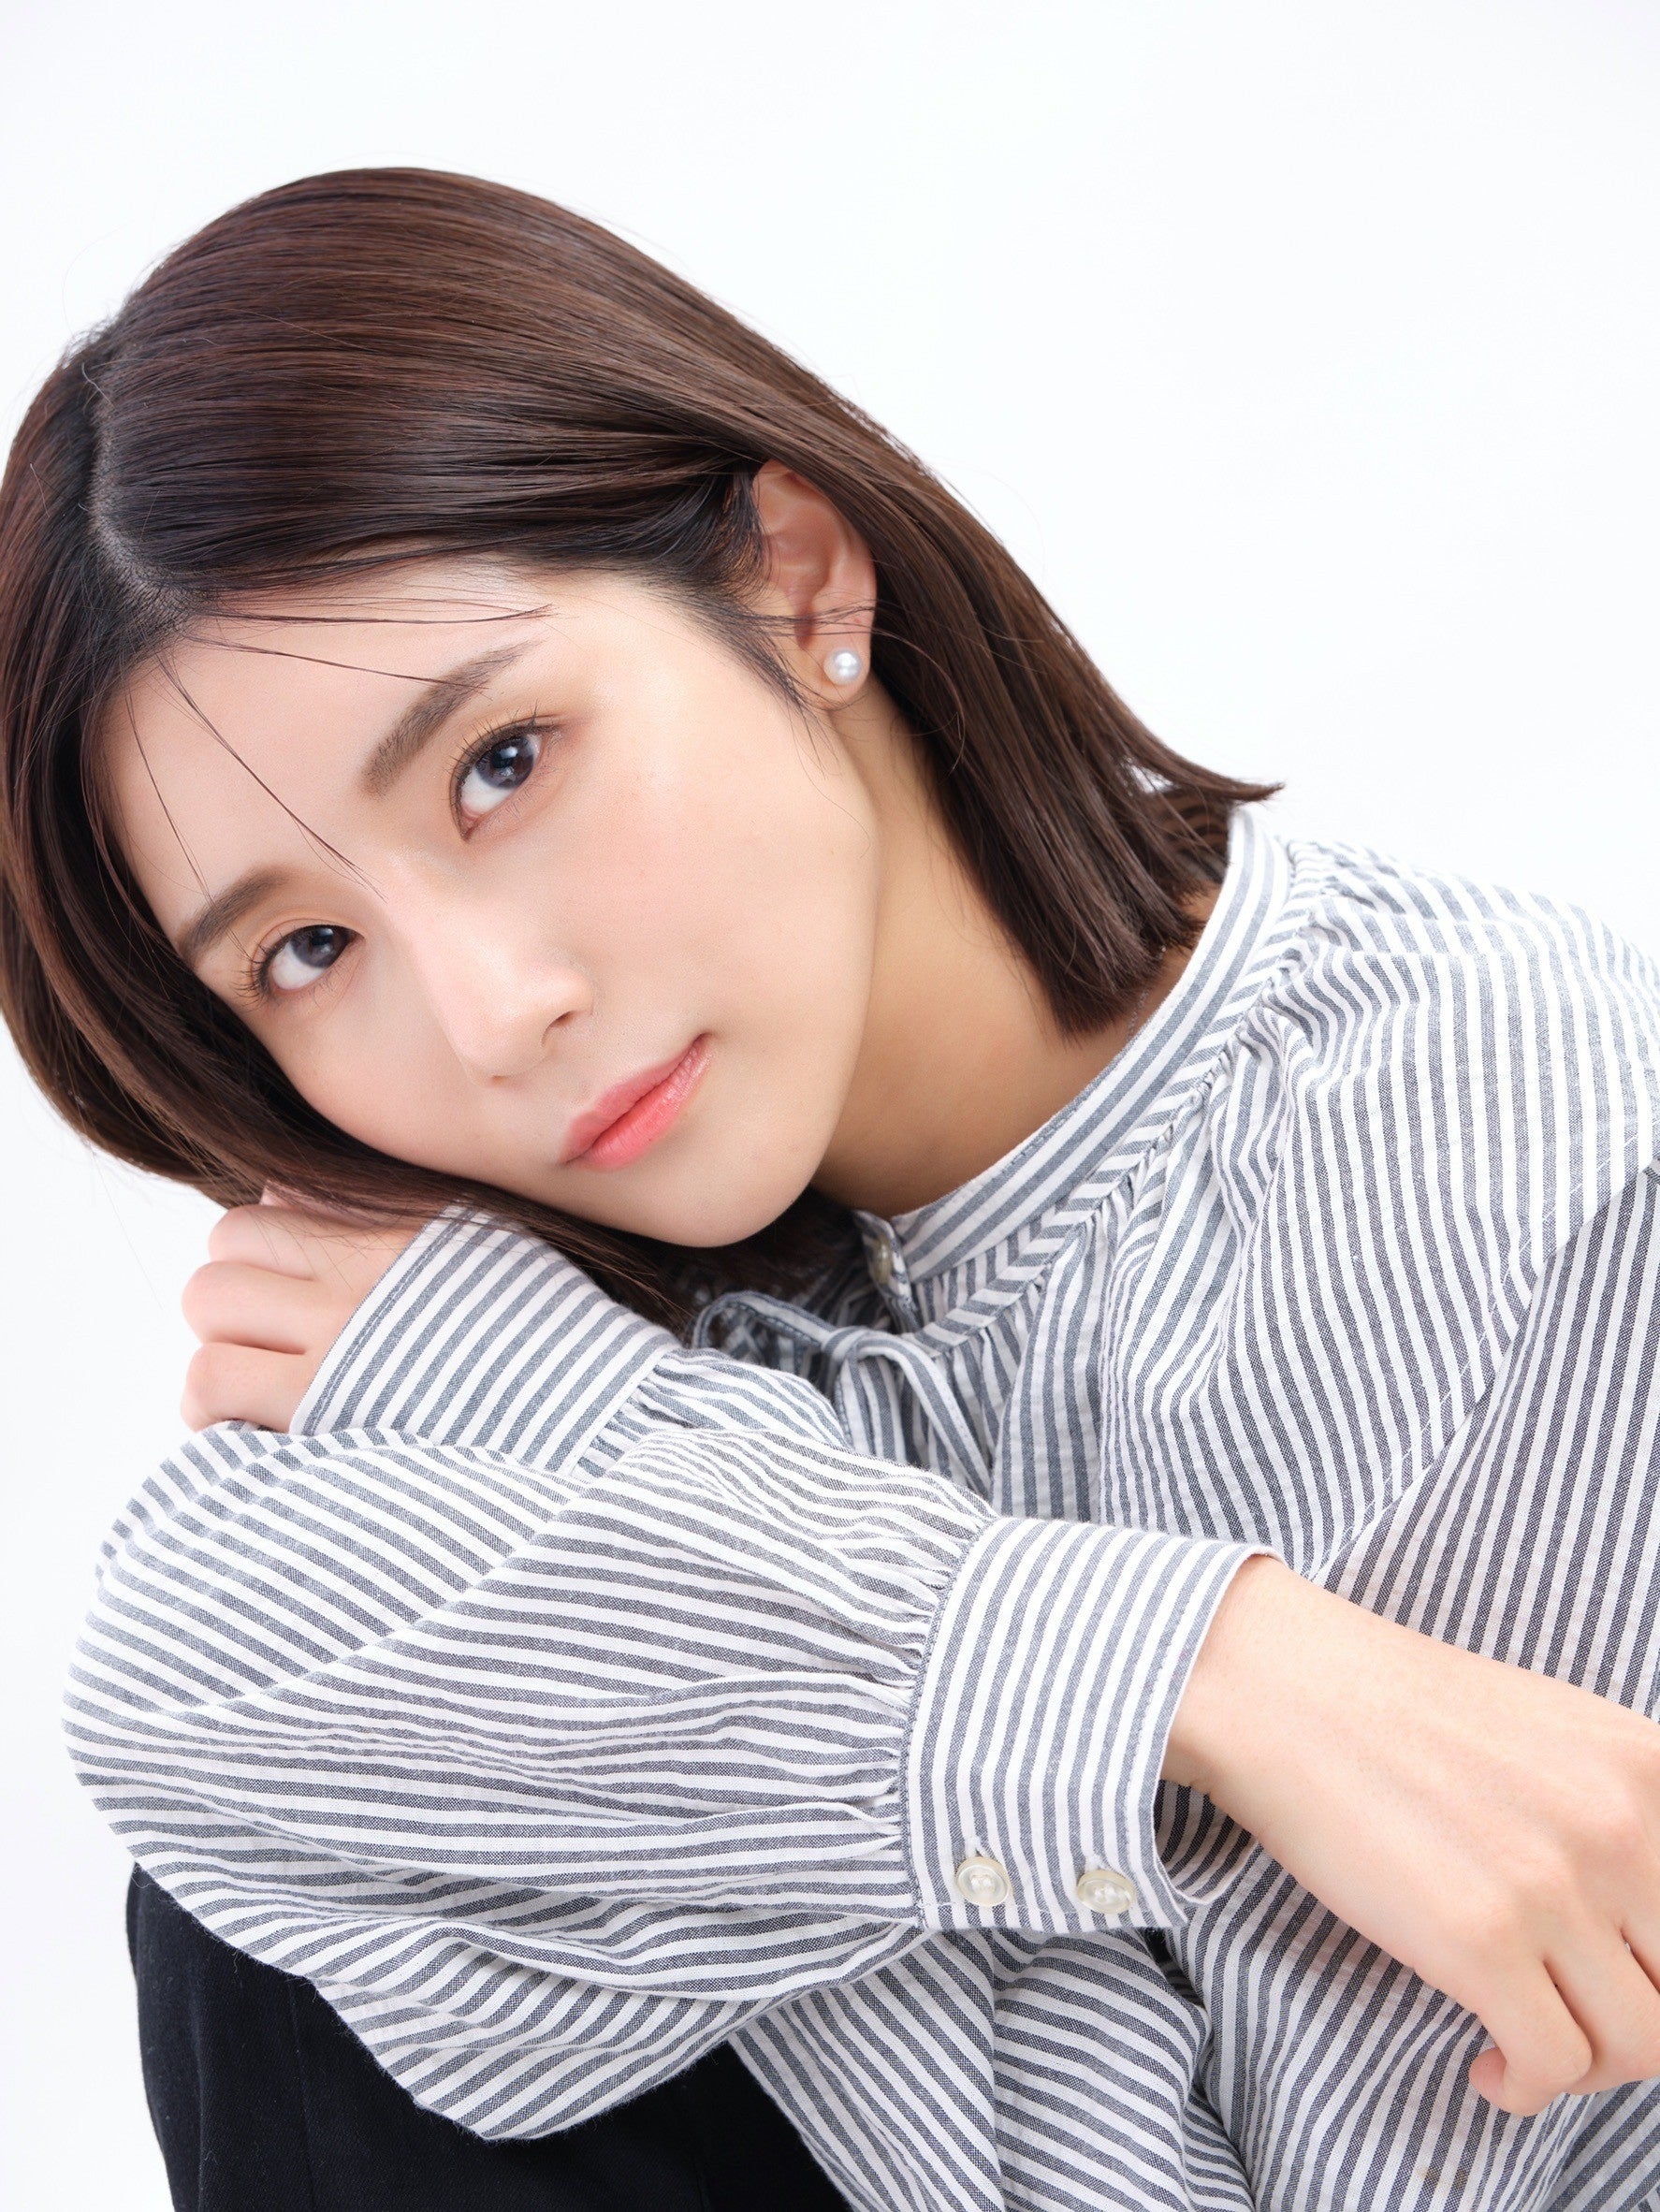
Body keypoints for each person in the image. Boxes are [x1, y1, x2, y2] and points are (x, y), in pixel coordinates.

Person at [3, 167, 1659, 2212]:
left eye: (501, 764)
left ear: (797, 584)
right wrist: (1202, 1668)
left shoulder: (1528, 1175)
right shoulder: (570, 1310)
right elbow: (180, 1683)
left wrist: (649, 1544)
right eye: (308, 950)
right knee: (309, 1883)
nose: (497, 1012)